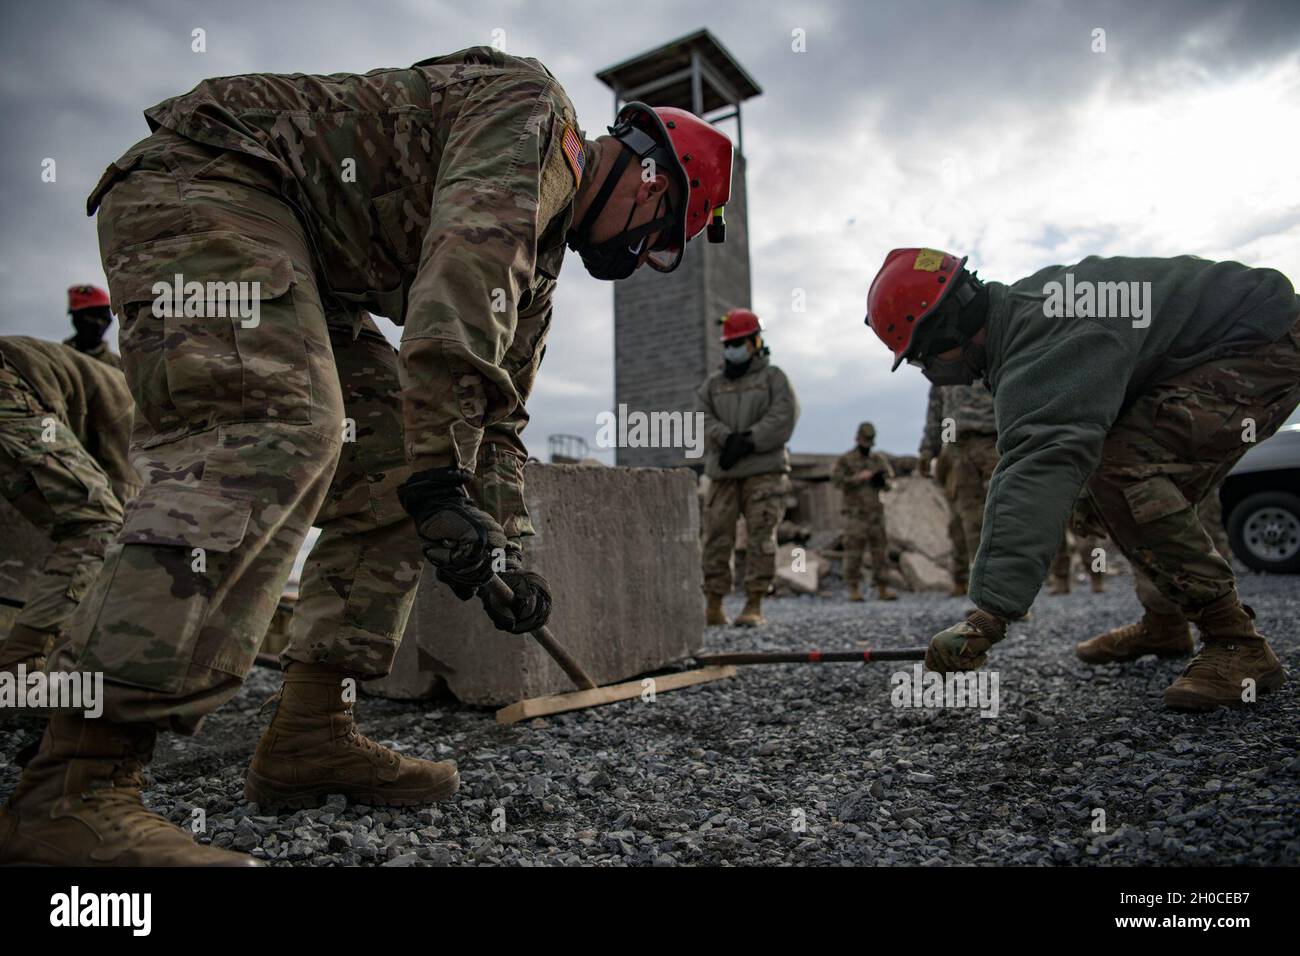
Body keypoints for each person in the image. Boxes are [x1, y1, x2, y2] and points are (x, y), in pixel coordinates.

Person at [0, 46, 735, 866]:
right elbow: (458, 286)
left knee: (389, 462)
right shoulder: (533, 117)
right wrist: (440, 476)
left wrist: (505, 552)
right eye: (653, 239)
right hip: (209, 180)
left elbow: (497, 419)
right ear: (652, 184)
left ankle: (312, 731)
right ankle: (72, 788)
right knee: (278, 426)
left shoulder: (541, 267)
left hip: (305, 259)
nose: (633, 261)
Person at [866, 247, 1300, 712]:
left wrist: (987, 619)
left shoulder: (1043, 348)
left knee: (1121, 473)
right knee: (1109, 483)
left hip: (1263, 343)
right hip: (1231, 341)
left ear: (946, 326)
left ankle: (1237, 643)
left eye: (922, 358)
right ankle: (1165, 621)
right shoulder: (1027, 317)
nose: (928, 370)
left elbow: (1034, 472)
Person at [0, 337, 137, 678]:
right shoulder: (136, 409)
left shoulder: (98, 376)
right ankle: (21, 665)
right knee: (99, 523)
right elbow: (124, 498)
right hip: (12, 391)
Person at [698, 309, 799, 627]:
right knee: (716, 536)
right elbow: (702, 417)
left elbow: (783, 416)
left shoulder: (774, 378)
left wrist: (750, 441)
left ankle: (754, 604)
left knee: (761, 536)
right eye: (729, 343)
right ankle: (714, 605)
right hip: (724, 473)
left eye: (739, 342)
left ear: (756, 342)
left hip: (764, 471)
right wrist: (726, 439)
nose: (733, 348)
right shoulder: (713, 384)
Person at [918, 382, 997, 594]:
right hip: (958, 447)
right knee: (970, 519)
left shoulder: (989, 354)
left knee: (1002, 513)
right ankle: (985, 588)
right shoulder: (942, 364)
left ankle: (1008, 587)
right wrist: (928, 450)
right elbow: (936, 411)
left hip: (993, 440)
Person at [831, 422, 898, 601]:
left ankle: (883, 587)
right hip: (855, 514)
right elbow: (836, 481)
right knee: (853, 552)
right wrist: (856, 479)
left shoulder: (878, 460)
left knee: (880, 552)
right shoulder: (846, 460)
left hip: (876, 513)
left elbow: (891, 482)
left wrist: (881, 482)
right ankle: (853, 588)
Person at [63, 284, 122, 369]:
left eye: (103, 318)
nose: (99, 323)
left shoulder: (119, 365)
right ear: (76, 320)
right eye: (92, 317)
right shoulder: (59, 358)